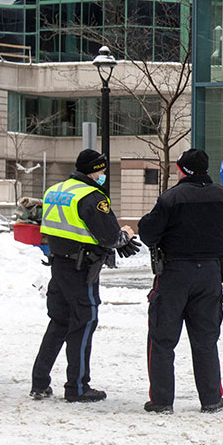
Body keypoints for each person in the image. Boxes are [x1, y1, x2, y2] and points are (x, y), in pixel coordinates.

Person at [138, 149, 223, 414]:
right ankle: (211, 400)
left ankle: (162, 401)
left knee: (162, 340)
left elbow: (149, 233)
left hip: (174, 274)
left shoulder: (170, 199)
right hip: (209, 275)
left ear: (182, 169)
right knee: (206, 341)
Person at [30, 149, 141, 402]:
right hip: (82, 269)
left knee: (58, 322)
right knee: (84, 322)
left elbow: (69, 228)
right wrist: (126, 235)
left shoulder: (55, 191)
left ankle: (39, 382)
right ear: (94, 170)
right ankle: (78, 387)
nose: (103, 175)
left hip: (59, 264)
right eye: (101, 171)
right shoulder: (92, 197)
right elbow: (111, 236)